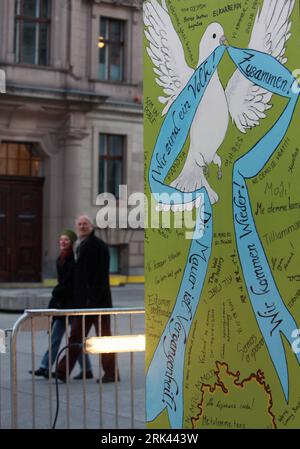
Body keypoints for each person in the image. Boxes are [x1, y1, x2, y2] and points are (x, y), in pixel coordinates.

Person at [54, 215, 117, 383]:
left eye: (85, 224)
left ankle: (111, 373)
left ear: (91, 226)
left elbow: (100, 276)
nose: (82, 226)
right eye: (80, 224)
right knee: (75, 336)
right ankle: (62, 371)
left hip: (98, 303)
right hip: (84, 303)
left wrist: (92, 299)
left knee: (103, 338)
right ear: (76, 226)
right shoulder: (78, 246)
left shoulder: (98, 246)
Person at [30, 229, 93, 378]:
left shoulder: (73, 259)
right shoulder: (61, 258)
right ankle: (45, 367)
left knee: (74, 340)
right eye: (61, 240)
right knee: (56, 338)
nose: (62, 242)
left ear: (71, 243)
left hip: (71, 307)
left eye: (66, 240)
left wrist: (57, 292)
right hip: (62, 306)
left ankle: (87, 370)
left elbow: (70, 284)